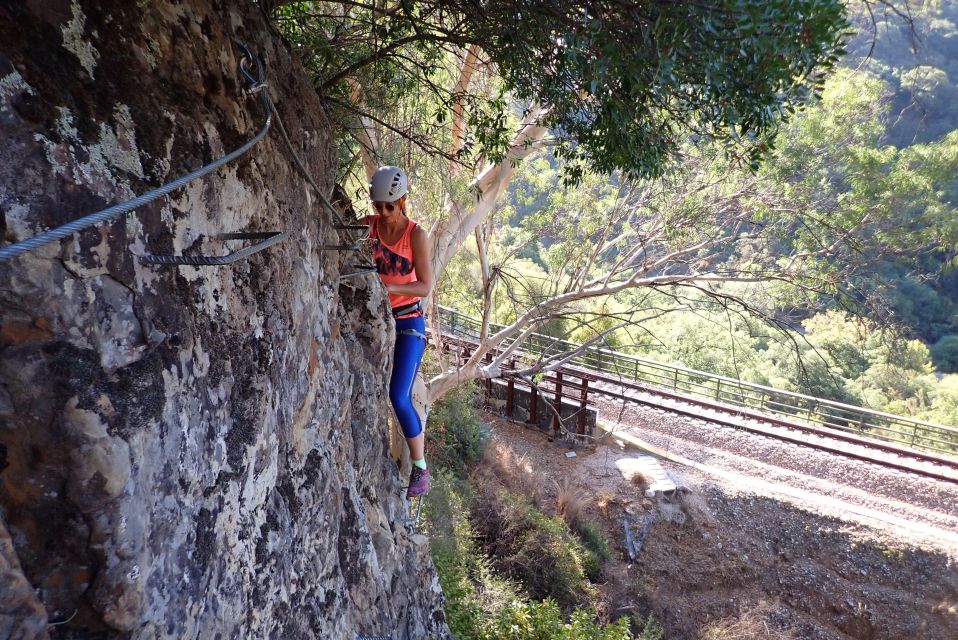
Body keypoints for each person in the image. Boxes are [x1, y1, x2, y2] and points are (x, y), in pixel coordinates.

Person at [366, 166, 433, 498]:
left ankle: (420, 467)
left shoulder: (415, 235)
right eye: (378, 206)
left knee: (398, 395)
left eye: (389, 206)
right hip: (376, 317)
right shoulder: (369, 227)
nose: (383, 213)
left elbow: (425, 285)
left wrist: (386, 284)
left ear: (403, 201)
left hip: (408, 321)